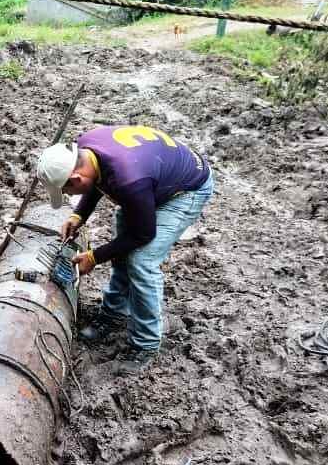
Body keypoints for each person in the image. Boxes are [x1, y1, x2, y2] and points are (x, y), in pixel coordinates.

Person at [37, 125, 214, 374]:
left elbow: (143, 233)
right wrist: (79, 216)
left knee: (141, 260)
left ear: (75, 179)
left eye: (66, 190)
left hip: (185, 190)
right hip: (152, 178)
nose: (67, 194)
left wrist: (94, 257)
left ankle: (146, 344)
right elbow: (96, 182)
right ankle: (114, 314)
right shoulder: (86, 149)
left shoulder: (129, 179)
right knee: (122, 248)